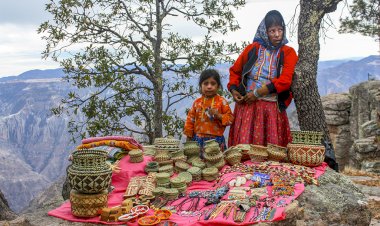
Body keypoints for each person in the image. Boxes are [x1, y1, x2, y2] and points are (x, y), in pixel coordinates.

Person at [227, 10, 298, 147]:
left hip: (270, 109)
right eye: (272, 31)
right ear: (265, 32)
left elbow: (285, 80)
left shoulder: (288, 52)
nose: (277, 34)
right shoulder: (252, 49)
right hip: (247, 107)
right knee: (244, 150)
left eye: (280, 30)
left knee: (271, 152)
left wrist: (258, 93)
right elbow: (235, 71)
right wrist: (234, 89)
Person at [183, 69, 234, 155]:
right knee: (198, 163)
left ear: (218, 86)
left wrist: (218, 115)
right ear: (201, 86)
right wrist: (189, 139)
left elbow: (230, 119)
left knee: (216, 163)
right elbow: (190, 121)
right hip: (198, 140)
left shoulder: (222, 102)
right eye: (205, 83)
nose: (209, 86)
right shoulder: (197, 103)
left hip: (216, 141)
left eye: (213, 83)